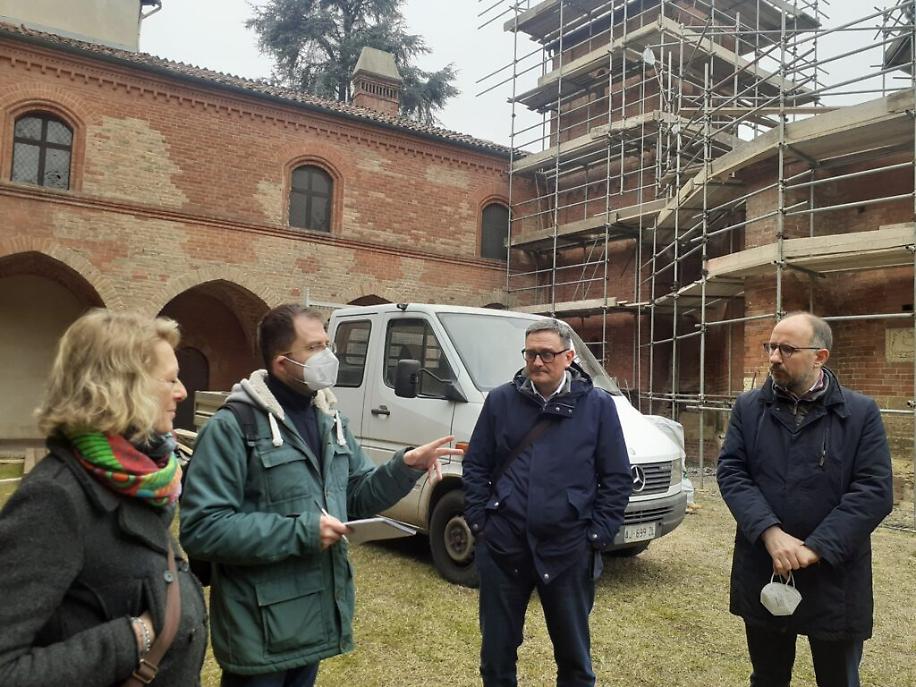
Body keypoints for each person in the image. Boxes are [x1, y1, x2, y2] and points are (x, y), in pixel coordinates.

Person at [179, 303, 460, 687]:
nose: (329, 356)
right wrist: (302, 531)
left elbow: (357, 495)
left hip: (314, 622)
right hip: (260, 630)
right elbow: (203, 529)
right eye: (314, 348)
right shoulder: (232, 428)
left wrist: (406, 465)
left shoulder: (330, 419)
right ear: (282, 363)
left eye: (327, 344)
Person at [0, 309, 208, 686]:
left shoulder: (140, 480)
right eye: (170, 380)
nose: (181, 392)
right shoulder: (55, 498)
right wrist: (133, 638)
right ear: (121, 387)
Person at [717, 311, 894, 687]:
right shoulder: (749, 409)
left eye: (787, 349)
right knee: (767, 676)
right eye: (771, 347)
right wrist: (770, 533)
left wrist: (816, 548)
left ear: (820, 357)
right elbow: (733, 473)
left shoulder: (860, 414)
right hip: (767, 565)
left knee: (838, 678)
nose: (774, 357)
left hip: (835, 575)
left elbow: (874, 490)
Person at [463, 318, 633, 687]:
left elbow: (616, 477)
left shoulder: (597, 406)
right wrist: (481, 524)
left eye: (547, 354)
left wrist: (597, 536)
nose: (537, 362)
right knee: (497, 657)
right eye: (530, 354)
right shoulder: (501, 401)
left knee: (574, 660)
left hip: (569, 549)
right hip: (504, 547)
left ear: (569, 357)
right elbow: (476, 465)